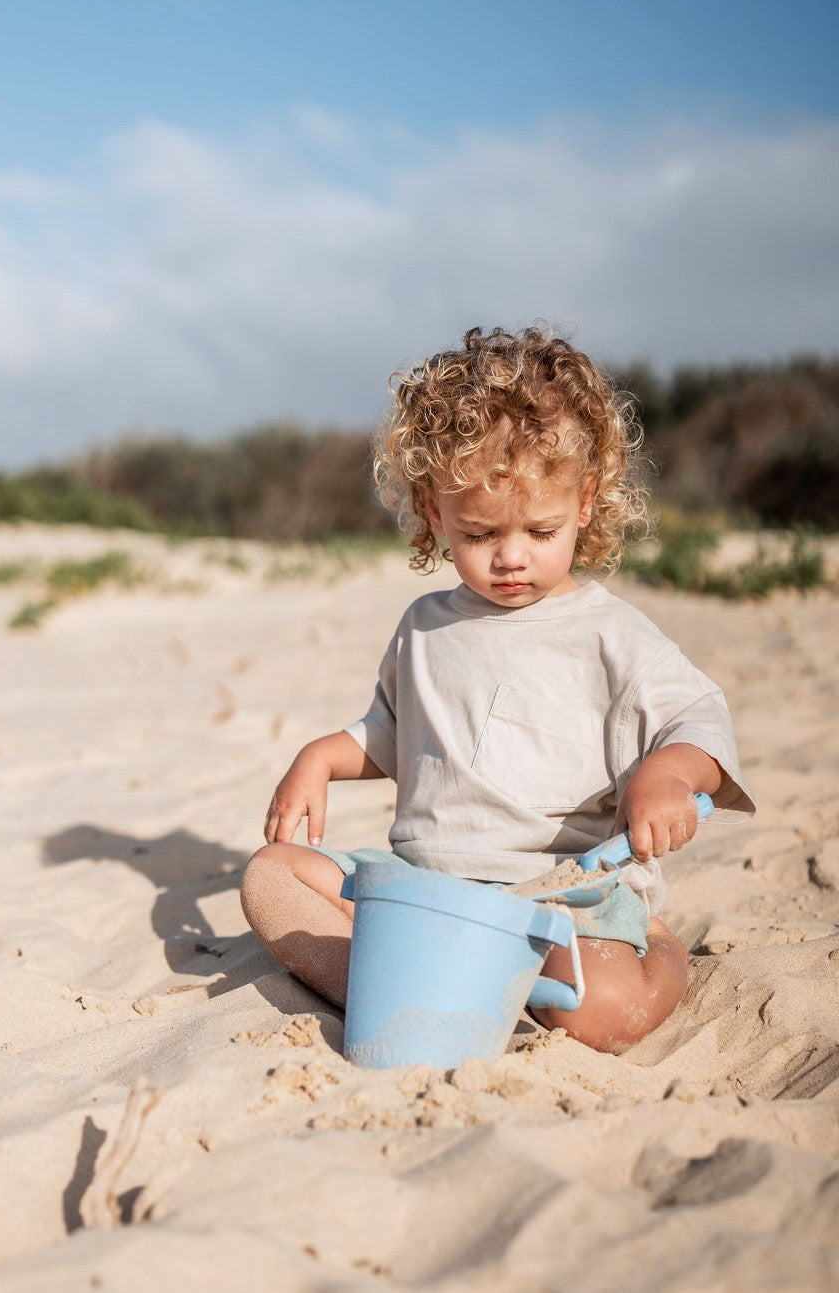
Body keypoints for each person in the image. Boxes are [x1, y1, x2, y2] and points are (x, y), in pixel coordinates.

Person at [241, 325, 753, 1053]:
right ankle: (424, 977)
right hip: (427, 887)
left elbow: (698, 717)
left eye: (540, 530)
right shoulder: (424, 626)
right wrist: (319, 759)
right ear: (433, 509)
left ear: (584, 502)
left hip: (560, 894)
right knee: (273, 878)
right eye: (480, 533)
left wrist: (670, 775)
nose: (511, 556)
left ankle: (657, 946)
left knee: (603, 1011)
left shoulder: (611, 634)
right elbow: (395, 733)